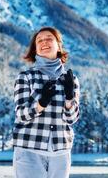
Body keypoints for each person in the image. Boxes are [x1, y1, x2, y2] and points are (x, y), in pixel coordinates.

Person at [12, 26, 80, 178]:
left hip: (60, 152)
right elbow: (21, 115)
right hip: (30, 149)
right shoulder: (26, 77)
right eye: (39, 40)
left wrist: (69, 98)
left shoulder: (71, 80)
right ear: (35, 49)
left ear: (58, 45)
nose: (44, 42)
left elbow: (72, 118)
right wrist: (40, 104)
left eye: (49, 38)